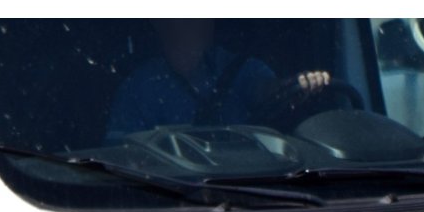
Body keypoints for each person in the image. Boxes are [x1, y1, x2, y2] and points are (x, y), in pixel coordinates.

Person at [105, 19, 331, 141]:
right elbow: (122, 153)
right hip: (169, 194)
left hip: (251, 185)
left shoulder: (242, 70)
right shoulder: (140, 87)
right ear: (158, 21)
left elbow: (270, 90)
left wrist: (299, 85)